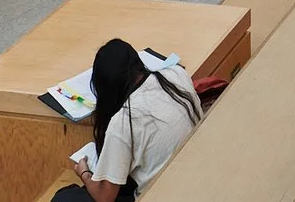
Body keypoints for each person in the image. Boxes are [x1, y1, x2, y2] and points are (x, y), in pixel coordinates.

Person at [54, 39, 204, 202]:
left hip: (164, 192)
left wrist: (84, 173)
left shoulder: (125, 121)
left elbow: (105, 197)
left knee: (64, 198)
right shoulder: (175, 73)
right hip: (194, 171)